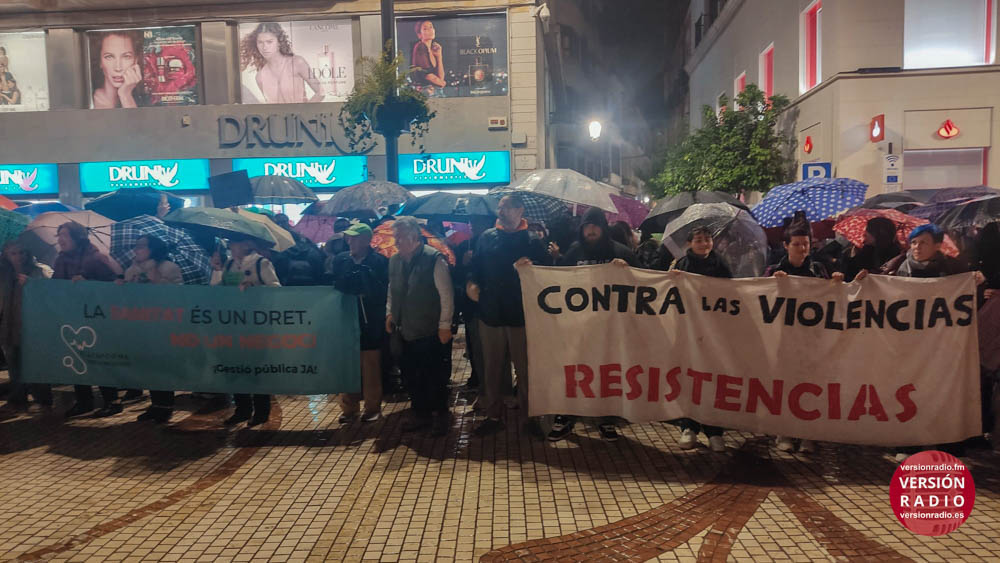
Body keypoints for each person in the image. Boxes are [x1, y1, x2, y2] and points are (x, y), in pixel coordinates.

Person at [878, 224, 984, 461]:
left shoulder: (955, 270)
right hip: (907, 344)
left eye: (923, 242)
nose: (917, 247)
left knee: (943, 392)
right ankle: (908, 444)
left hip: (942, 346)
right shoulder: (896, 267)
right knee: (907, 393)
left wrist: (977, 282)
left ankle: (948, 444)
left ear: (937, 245)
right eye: (914, 242)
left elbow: (967, 303)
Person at [547, 207, 636, 443]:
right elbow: (557, 280)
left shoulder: (621, 252)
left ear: (603, 228)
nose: (592, 230)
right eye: (587, 226)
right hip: (579, 327)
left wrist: (628, 271)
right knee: (573, 371)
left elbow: (643, 281)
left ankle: (606, 417)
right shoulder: (574, 252)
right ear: (582, 228)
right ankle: (566, 415)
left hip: (610, 328)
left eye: (596, 225)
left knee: (607, 372)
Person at [466, 196, 548, 437]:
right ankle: (493, 415)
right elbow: (475, 269)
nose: (501, 212)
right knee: (492, 368)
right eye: (500, 208)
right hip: (491, 313)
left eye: (506, 208)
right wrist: (471, 284)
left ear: (519, 210)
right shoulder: (486, 237)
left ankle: (530, 416)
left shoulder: (532, 240)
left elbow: (547, 272)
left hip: (522, 316)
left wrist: (532, 266)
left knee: (526, 369)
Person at [764, 223, 844, 453]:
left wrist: (836, 282)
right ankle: (784, 432)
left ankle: (807, 433)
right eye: (797, 244)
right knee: (784, 385)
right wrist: (773, 283)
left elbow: (832, 298)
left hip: (812, 340)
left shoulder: (818, 270)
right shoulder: (774, 270)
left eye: (805, 244)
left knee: (810, 386)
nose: (802, 248)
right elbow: (761, 296)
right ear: (786, 245)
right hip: (784, 340)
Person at [385, 216, 454, 436]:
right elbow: (391, 289)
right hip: (404, 329)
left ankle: (440, 415)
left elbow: (446, 295)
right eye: (395, 237)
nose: (396, 241)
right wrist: (389, 313)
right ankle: (420, 413)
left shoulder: (434, 259)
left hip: (429, 330)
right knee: (411, 376)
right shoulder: (394, 260)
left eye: (400, 237)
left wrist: (445, 325)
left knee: (434, 376)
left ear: (414, 236)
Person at [669, 226, 731, 452]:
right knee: (690, 378)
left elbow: (730, 295)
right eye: (699, 240)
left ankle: (714, 431)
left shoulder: (721, 265)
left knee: (713, 380)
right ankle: (689, 427)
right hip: (687, 331)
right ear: (689, 243)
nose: (704, 243)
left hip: (714, 332)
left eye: (707, 239)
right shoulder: (681, 265)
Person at [211, 237, 281, 427]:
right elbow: (216, 290)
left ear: (246, 244)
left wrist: (255, 288)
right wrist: (217, 270)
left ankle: (261, 411)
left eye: (234, 243)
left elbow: (275, 288)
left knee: (256, 368)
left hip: (256, 325)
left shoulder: (261, 263)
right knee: (234, 367)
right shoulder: (228, 264)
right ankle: (242, 409)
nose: (230, 246)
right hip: (232, 324)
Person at [54, 222, 122, 417]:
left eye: (65, 235)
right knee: (77, 359)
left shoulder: (96, 258)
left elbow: (113, 286)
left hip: (96, 319)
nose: (60, 239)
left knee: (99, 359)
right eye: (59, 235)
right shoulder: (61, 260)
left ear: (77, 238)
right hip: (73, 317)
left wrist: (88, 284)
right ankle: (84, 401)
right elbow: (54, 286)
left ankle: (112, 400)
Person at [118, 236, 183, 423]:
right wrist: (122, 285)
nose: (136, 250)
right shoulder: (131, 270)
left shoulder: (169, 267)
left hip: (163, 324)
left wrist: (159, 280)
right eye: (136, 246)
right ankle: (155, 405)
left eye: (141, 246)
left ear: (152, 249)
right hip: (140, 324)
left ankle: (166, 406)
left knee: (162, 365)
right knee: (148, 365)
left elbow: (180, 295)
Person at [330, 223, 388, 423]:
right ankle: (349, 407)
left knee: (370, 365)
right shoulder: (340, 260)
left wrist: (368, 288)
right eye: (348, 237)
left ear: (366, 240)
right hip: (346, 319)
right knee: (348, 365)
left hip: (370, 320)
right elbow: (334, 285)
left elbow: (383, 290)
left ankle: (372, 407)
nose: (350, 241)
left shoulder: (379, 261)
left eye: (354, 237)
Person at [0, 241, 53, 406]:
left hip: (32, 325)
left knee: (35, 363)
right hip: (10, 323)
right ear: (6, 256)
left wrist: (32, 284)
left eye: (22, 252)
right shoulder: (4, 273)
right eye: (13, 253)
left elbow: (51, 294)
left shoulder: (40, 270)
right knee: (13, 363)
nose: (18, 257)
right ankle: (18, 397)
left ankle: (43, 399)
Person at [239, 23, 323, 104]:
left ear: (279, 42)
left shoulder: (297, 62)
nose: (264, 47)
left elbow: (321, 92)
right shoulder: (260, 77)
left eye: (269, 42)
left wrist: (304, 111)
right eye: (260, 42)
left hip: (302, 113)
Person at [90, 30, 144, 109]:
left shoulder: (145, 100)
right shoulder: (86, 100)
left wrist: (125, 95)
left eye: (126, 56)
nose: (118, 68)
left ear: (135, 60)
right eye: (109, 57)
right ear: (100, 61)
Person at [839, 217, 901, 282]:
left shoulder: (896, 255)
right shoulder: (866, 250)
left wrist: (869, 273)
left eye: (868, 230)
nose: (864, 233)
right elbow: (849, 273)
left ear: (878, 233)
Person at [410, 20, 446, 91]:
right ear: (419, 35)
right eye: (425, 29)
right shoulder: (420, 47)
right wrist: (442, 83)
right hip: (423, 92)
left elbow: (440, 78)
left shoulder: (432, 49)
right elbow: (427, 76)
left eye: (431, 27)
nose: (430, 30)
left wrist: (439, 56)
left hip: (432, 92)